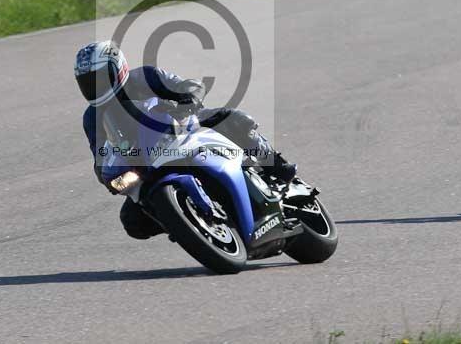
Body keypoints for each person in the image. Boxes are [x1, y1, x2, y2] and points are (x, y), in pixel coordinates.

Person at [75, 40, 296, 239]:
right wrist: (108, 176)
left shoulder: (145, 77)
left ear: (118, 67)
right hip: (145, 161)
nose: (96, 86)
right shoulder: (92, 117)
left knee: (234, 120)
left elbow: (190, 85)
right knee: (132, 222)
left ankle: (275, 165)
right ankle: (184, 221)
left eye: (100, 78)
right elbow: (100, 154)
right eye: (88, 82)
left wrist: (187, 99)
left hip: (183, 127)